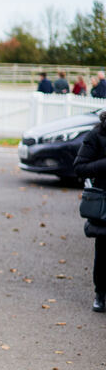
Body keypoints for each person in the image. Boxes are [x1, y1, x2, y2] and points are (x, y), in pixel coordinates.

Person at [73, 111, 106, 313]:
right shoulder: (96, 135)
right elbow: (79, 167)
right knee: (103, 251)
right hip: (104, 202)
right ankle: (100, 293)